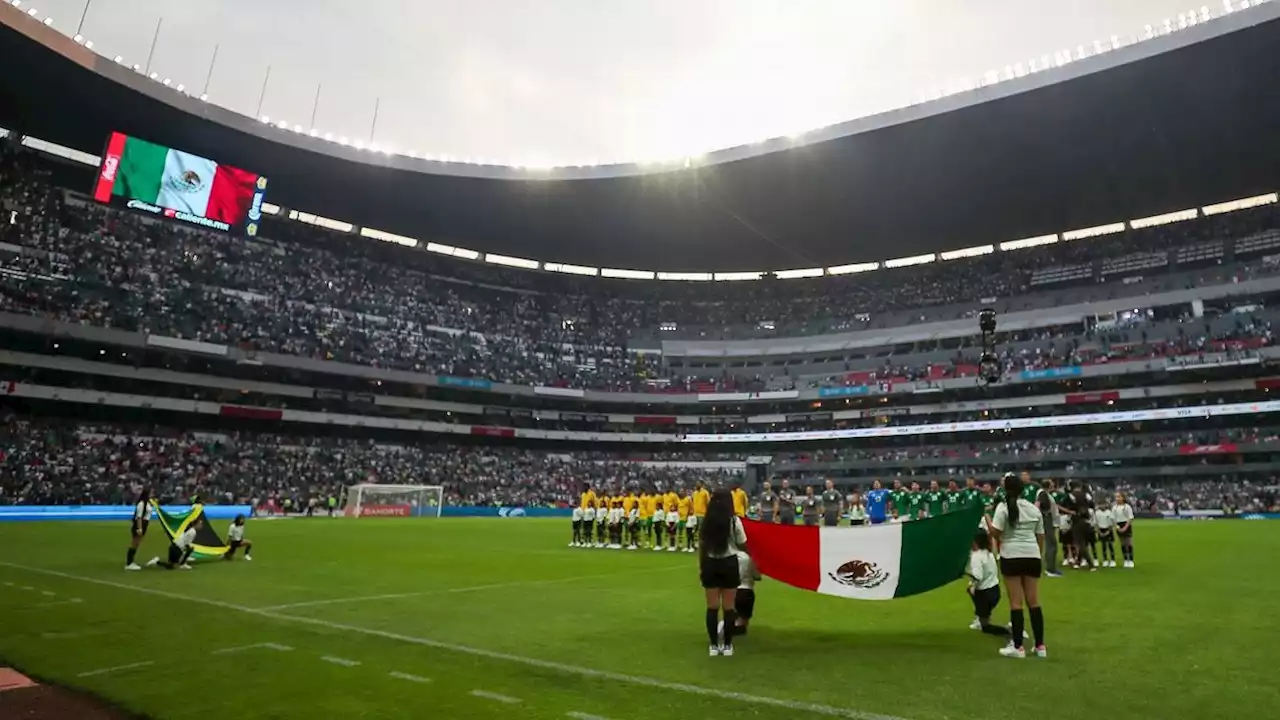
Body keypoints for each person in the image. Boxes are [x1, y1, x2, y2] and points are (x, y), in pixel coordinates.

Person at [989, 473, 1047, 659]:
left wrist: (987, 520)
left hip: (1011, 555)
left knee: (1016, 602)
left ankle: (1018, 646)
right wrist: (1037, 553)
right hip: (1032, 556)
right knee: (1034, 601)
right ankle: (1040, 646)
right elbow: (1040, 536)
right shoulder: (1032, 508)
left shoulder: (1003, 508)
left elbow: (996, 534)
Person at [699, 489, 747, 657]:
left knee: (712, 607)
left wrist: (702, 566)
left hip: (710, 563)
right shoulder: (734, 521)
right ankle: (727, 645)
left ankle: (713, 646)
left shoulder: (707, 521)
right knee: (729, 607)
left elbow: (702, 545)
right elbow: (742, 543)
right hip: (729, 563)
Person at [967, 530, 1010, 638]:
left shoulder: (976, 556)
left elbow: (978, 576)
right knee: (971, 591)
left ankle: (1010, 631)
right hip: (995, 591)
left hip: (985, 594)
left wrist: (972, 583)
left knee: (985, 627)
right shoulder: (989, 553)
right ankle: (981, 615)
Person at [720, 554, 761, 642]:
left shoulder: (729, 557)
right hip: (747, 590)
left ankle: (728, 632)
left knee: (732, 613)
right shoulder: (750, 559)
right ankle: (741, 634)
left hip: (733, 590)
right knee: (745, 617)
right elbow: (757, 576)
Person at [1038, 479, 1063, 577]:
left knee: (1052, 544)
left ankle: (1052, 567)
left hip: (1050, 520)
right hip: (1047, 519)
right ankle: (1050, 569)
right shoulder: (1043, 493)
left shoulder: (1047, 494)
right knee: (1051, 544)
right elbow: (1039, 505)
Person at [125, 487, 153, 571]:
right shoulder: (142, 504)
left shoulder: (147, 503)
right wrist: (139, 528)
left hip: (144, 524)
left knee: (137, 544)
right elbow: (139, 517)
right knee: (134, 543)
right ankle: (129, 563)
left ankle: (131, 561)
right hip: (140, 524)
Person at [1114, 492, 1136, 568]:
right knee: (1122, 544)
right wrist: (1117, 527)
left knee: (1129, 543)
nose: (1117, 498)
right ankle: (1126, 560)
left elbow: (1130, 518)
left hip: (1126, 524)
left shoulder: (1127, 507)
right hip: (1119, 525)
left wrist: (1125, 528)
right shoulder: (1114, 508)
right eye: (1116, 497)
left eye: (1119, 497)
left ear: (1123, 498)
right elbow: (1114, 519)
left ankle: (1131, 560)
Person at [1094, 496, 1117, 567]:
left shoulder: (1109, 512)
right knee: (1103, 546)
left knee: (1110, 545)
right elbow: (1096, 524)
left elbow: (1112, 523)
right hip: (1101, 529)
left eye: (1104, 504)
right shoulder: (1097, 513)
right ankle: (1105, 560)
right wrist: (1099, 532)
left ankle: (1113, 560)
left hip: (1108, 529)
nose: (1103, 506)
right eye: (1101, 504)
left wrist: (1108, 531)